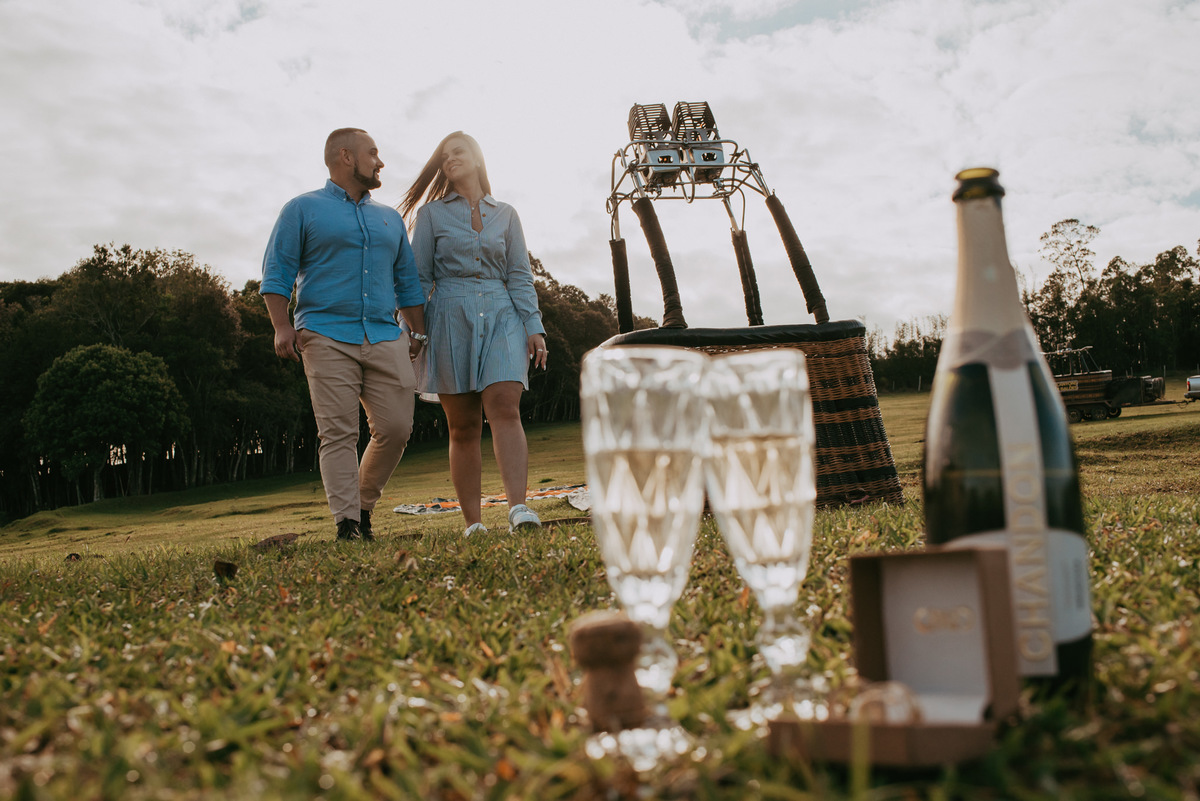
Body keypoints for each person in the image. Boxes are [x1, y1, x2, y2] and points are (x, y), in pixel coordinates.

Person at [261, 128, 427, 542]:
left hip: (385, 334)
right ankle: (348, 524)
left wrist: (417, 335)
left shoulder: (389, 218)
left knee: (396, 428)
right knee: (338, 432)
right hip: (324, 333)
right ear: (345, 157)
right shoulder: (302, 209)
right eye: (373, 153)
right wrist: (282, 326)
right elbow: (277, 271)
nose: (380, 161)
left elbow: (407, 283)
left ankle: (363, 505)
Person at [399, 131, 547, 537]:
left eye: (457, 153)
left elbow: (519, 275)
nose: (449, 161)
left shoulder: (507, 214)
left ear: (478, 158)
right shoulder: (431, 215)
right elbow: (417, 278)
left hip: (503, 314)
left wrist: (534, 327)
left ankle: (519, 508)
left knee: (505, 406)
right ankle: (473, 523)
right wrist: (414, 330)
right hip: (448, 316)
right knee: (462, 425)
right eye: (444, 157)